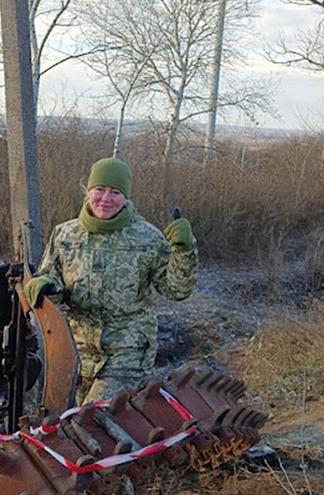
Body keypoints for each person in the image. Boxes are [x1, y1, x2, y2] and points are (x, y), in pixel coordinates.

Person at [24, 157, 198, 406]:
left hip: (127, 352)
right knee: (69, 426)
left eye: (115, 192)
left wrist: (184, 251)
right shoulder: (65, 234)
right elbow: (52, 282)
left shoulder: (147, 237)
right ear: (88, 192)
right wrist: (46, 288)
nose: (106, 198)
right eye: (100, 189)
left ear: (126, 197)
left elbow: (177, 290)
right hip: (77, 353)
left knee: (93, 421)